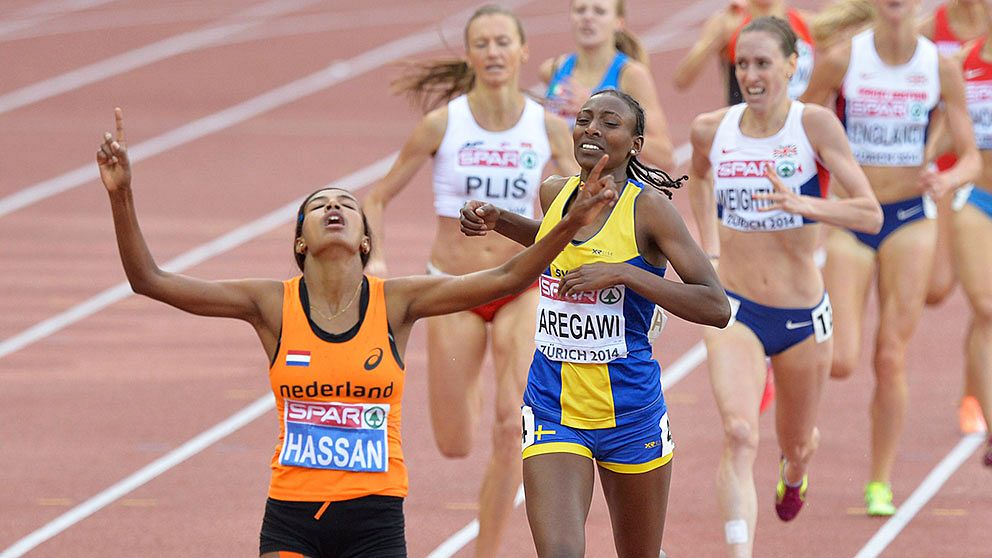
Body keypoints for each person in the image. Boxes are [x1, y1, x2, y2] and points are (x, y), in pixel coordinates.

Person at [96, 107, 616, 558]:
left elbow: (508, 277)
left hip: (375, 519)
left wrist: (571, 224)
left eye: (346, 204)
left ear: (367, 239)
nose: (334, 209)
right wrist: (122, 196)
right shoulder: (271, 304)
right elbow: (151, 281)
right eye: (319, 206)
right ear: (300, 241)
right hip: (292, 514)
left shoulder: (395, 302)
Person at [460, 89, 731, 557]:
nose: (592, 128)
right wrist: (499, 219)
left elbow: (716, 306)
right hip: (553, 406)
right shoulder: (554, 192)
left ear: (635, 142)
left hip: (631, 411)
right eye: (584, 119)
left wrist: (626, 273)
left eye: (609, 122)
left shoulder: (649, 211)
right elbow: (554, 243)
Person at [361, 5, 578, 556]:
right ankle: (479, 376)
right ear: (469, 55)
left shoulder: (547, 127)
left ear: (523, 51)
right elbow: (377, 196)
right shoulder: (444, 124)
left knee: (512, 429)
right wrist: (377, 259)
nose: (493, 52)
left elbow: (584, 205)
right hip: (453, 290)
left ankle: (486, 551)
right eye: (482, 43)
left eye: (503, 42)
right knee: (455, 442)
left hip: (520, 287)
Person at [688, 17, 882, 557]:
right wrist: (710, 248)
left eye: (762, 63)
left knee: (795, 443)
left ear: (792, 65)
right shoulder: (712, 128)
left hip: (800, 317)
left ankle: (795, 472)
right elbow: (699, 178)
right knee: (740, 433)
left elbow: (868, 213)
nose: (750, 75)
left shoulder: (813, 126)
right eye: (742, 64)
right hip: (734, 309)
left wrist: (806, 204)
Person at [801, 0, 980, 515]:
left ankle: (879, 482)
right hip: (854, 217)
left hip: (910, 220)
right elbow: (800, 129)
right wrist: (811, 196)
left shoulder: (939, 66)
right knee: (841, 359)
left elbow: (968, 156)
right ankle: (798, 438)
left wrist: (945, 177)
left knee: (889, 356)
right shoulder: (842, 59)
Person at [919, 0, 989, 434]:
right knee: (946, 290)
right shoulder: (949, 43)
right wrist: (922, 158)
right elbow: (944, 114)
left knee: (985, 310)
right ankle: (976, 390)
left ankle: (974, 392)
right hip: (965, 184)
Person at [933, 28, 992, 465]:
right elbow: (948, 130)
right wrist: (925, 160)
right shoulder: (961, 65)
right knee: (986, 307)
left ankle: (973, 391)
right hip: (977, 197)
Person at [539, 0, 675, 169]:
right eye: (580, 10)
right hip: (568, 190)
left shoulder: (631, 75)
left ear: (619, 22)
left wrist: (595, 110)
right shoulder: (554, 70)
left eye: (599, 11)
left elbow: (665, 156)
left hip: (613, 191)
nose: (587, 17)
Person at [674, 0, 816, 106]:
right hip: (747, 127)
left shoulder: (804, 22)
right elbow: (682, 79)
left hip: (795, 126)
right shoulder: (729, 22)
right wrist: (716, 38)